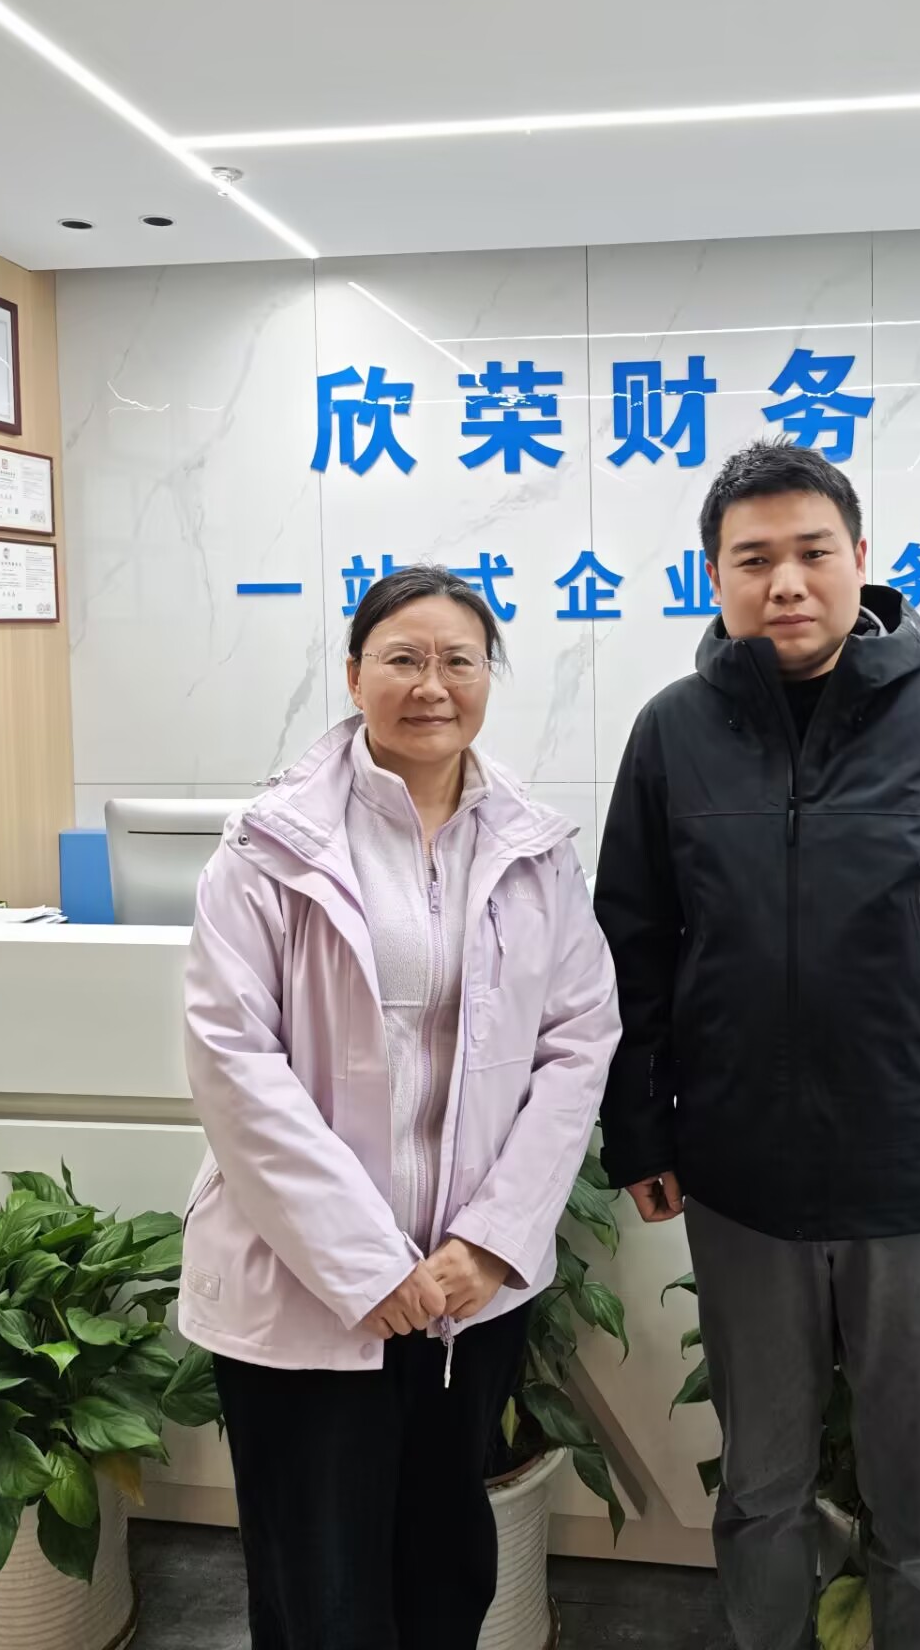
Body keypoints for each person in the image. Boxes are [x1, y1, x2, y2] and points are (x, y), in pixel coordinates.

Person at [596, 441, 920, 1650]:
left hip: (914, 1178)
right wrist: (642, 1128)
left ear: (861, 559)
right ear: (714, 576)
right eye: (752, 559)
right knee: (760, 1489)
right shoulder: (673, 735)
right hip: (742, 1182)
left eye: (812, 552)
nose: (786, 582)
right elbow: (631, 945)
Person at [181, 563, 620, 1650]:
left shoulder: (534, 848)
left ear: (489, 678)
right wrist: (366, 1266)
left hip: (467, 1292)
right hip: (306, 1288)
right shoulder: (270, 846)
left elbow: (578, 1042)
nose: (433, 685)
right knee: (320, 1591)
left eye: (459, 660)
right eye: (404, 659)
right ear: (353, 675)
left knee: (443, 1574)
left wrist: (494, 1241)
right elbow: (233, 1060)